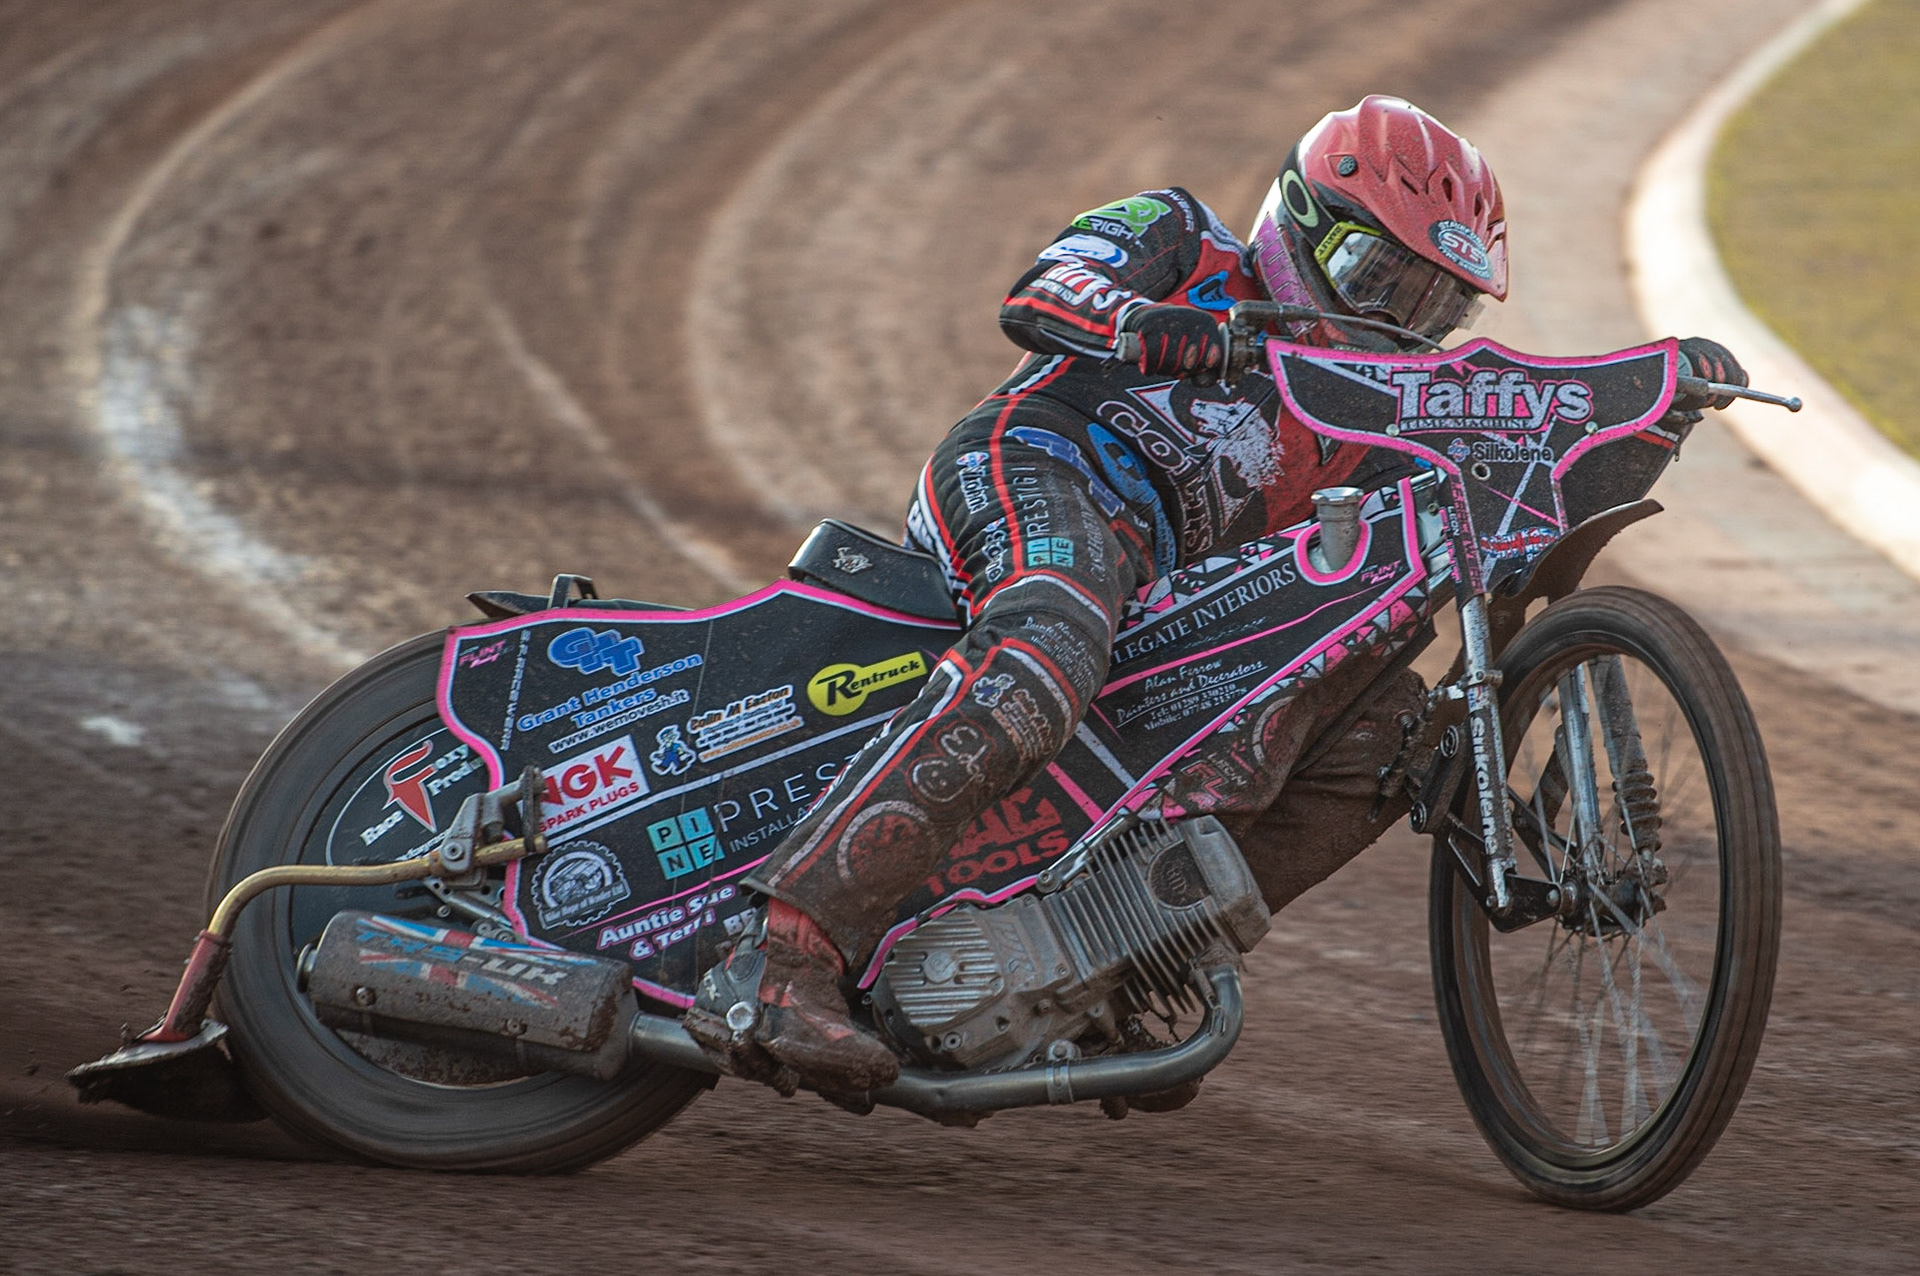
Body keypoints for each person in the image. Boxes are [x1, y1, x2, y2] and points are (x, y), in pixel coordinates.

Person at [687, 95, 1745, 1096]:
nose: (1398, 323)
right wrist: (1158, 327)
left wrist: (1658, 396)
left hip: (1174, 590)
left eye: (1433, 304)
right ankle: (782, 951)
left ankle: (1114, 965)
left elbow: (1513, 475)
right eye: (1378, 279)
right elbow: (1040, 294)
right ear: (1300, 222)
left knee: (1386, 728)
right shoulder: (1183, 235)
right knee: (1051, 637)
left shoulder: (1387, 415)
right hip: (1044, 465)